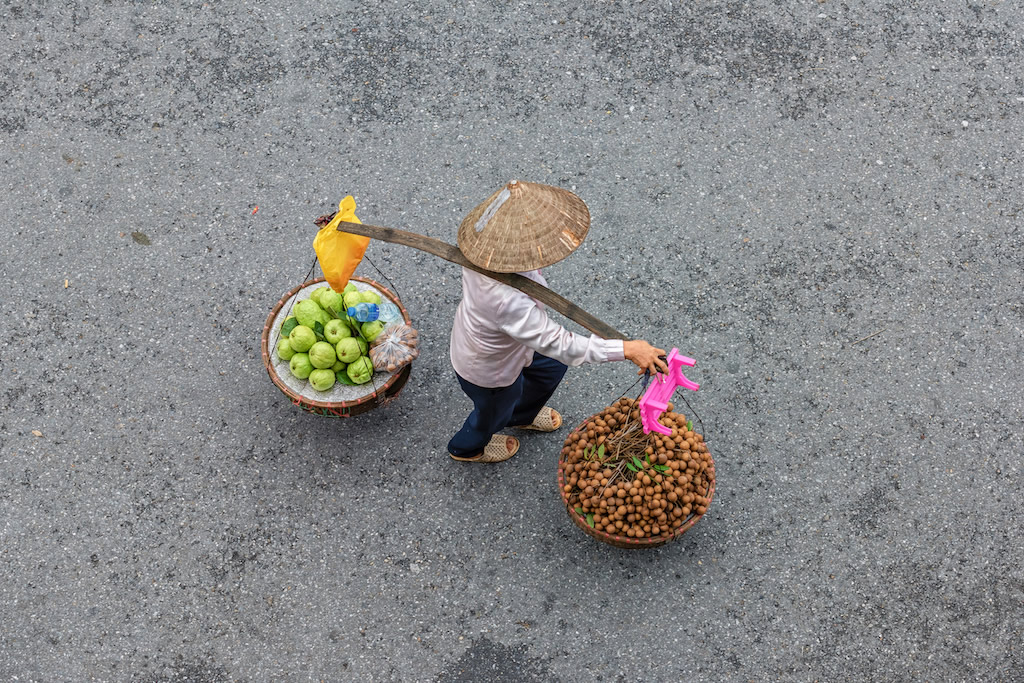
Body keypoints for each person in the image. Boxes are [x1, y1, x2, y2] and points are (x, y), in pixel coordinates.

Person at [448, 180, 669, 463]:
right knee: (493, 411)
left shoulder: (485, 248)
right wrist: (626, 349)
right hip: (488, 368)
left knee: (551, 368)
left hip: (514, 340)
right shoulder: (505, 301)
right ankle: (468, 448)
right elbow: (561, 344)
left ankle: (522, 415)